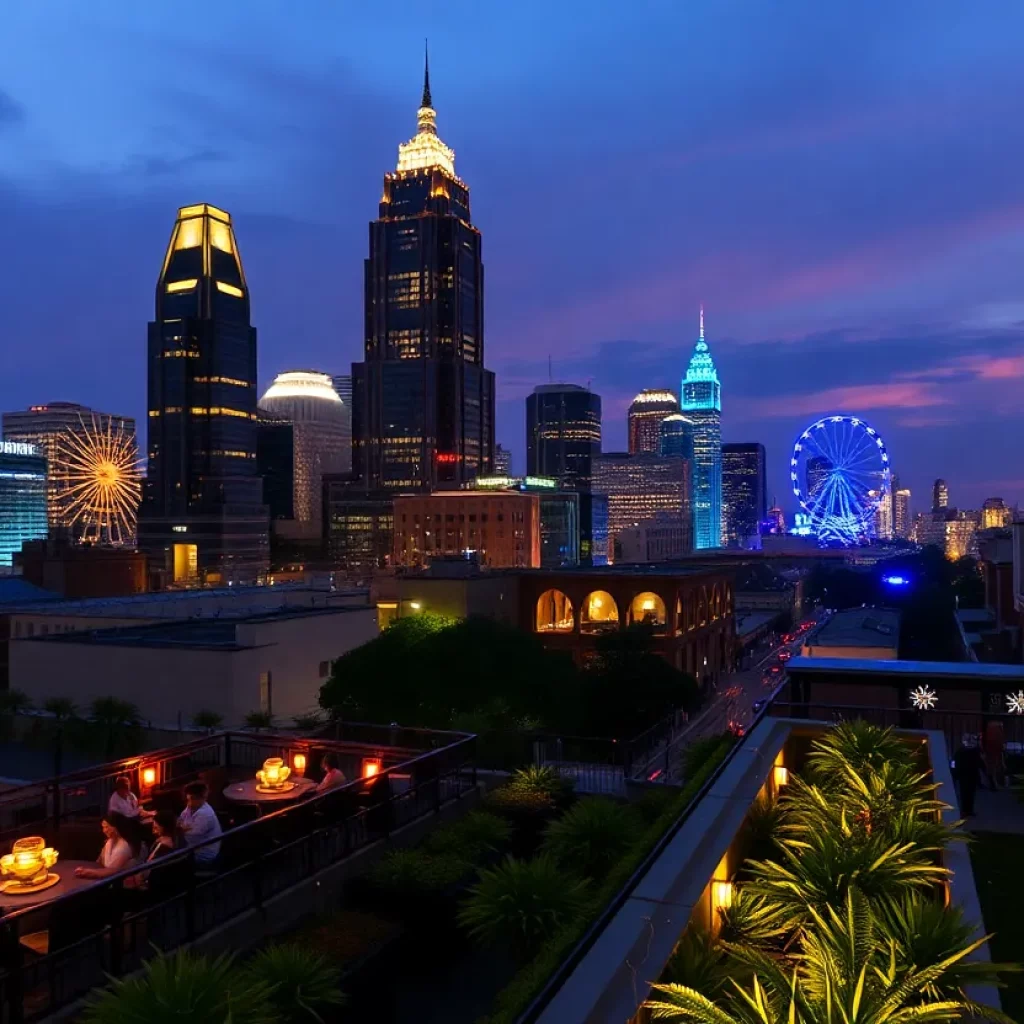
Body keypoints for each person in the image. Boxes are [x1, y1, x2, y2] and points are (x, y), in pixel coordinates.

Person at [74, 812, 142, 879]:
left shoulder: (125, 846)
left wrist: (89, 872)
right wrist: (85, 870)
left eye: (107, 827)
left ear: (115, 827)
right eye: (103, 827)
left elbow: (112, 871)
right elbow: (98, 862)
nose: (104, 830)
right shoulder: (109, 842)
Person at [177, 782, 222, 865]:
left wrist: (182, 829)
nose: (188, 802)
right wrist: (183, 828)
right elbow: (180, 820)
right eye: (188, 798)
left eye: (192, 798)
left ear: (202, 798)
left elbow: (189, 837)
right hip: (193, 847)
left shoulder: (205, 814)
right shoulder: (191, 806)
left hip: (203, 854)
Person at [952, 734, 983, 816]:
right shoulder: (974, 751)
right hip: (969, 775)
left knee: (965, 793)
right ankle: (968, 810)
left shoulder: (961, 751)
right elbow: (980, 763)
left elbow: (953, 762)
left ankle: (967, 810)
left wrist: (954, 772)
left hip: (965, 775)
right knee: (969, 793)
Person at [983, 720, 1006, 790]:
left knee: (992, 768)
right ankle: (994, 784)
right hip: (993, 751)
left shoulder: (991, 731)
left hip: (992, 751)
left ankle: (994, 784)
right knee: (993, 767)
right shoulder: (996, 732)